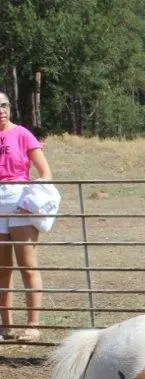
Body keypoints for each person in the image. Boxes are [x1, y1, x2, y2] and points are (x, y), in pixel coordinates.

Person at [0, 90, 53, 342]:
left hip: (19, 199)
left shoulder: (22, 134)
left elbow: (45, 173)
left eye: (4, 105)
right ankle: (5, 325)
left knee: (27, 265)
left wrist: (29, 203)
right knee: (2, 269)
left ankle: (32, 324)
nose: (1, 110)